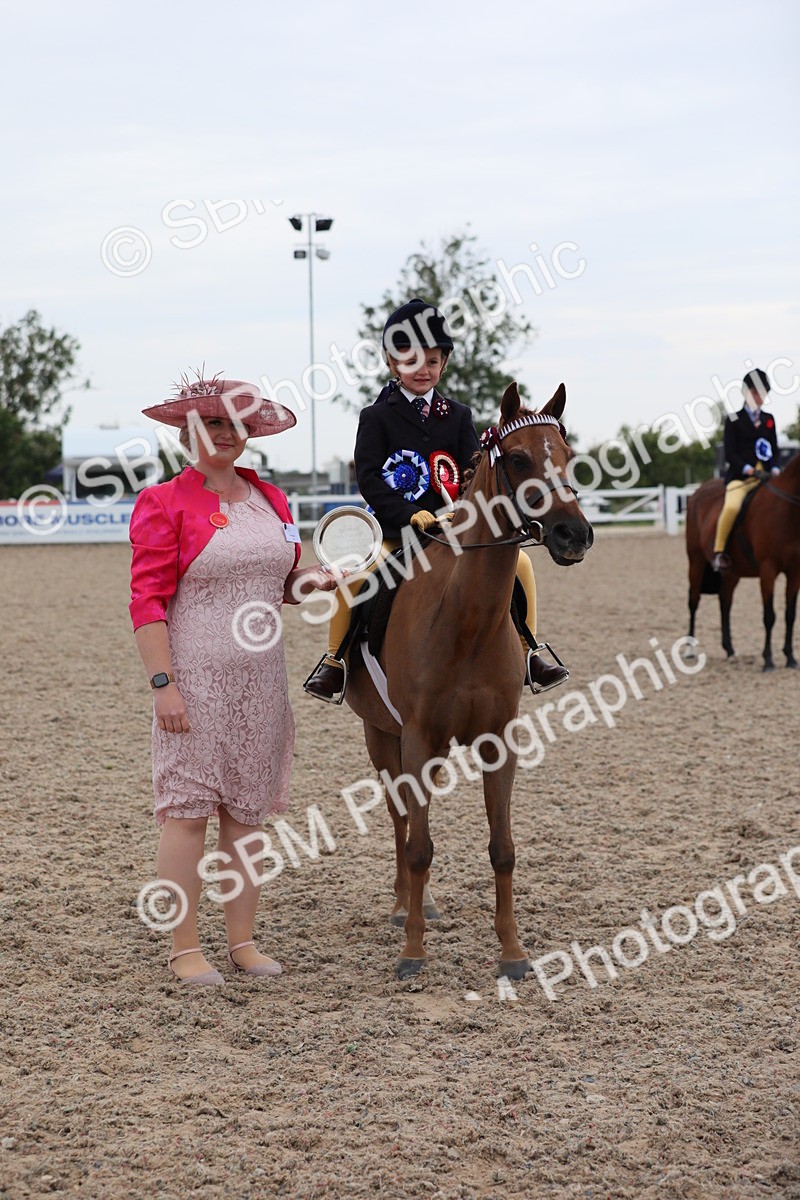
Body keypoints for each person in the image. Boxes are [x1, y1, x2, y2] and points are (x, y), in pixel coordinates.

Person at [130, 374, 340, 986]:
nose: (226, 434)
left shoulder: (271, 499)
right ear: (189, 430)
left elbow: (286, 585)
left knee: (247, 816)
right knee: (188, 814)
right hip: (194, 677)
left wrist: (320, 581)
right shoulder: (163, 502)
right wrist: (163, 683)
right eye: (213, 423)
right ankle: (185, 946)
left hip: (261, 681)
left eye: (236, 424)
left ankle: (243, 941)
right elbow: (147, 600)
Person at [303, 297, 569, 701]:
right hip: (395, 530)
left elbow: (473, 472)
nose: (422, 370)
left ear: (443, 363)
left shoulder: (459, 415)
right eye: (410, 361)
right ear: (393, 364)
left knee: (524, 563)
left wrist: (462, 512)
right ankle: (335, 661)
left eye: (431, 360)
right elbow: (371, 480)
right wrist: (410, 514)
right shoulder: (376, 417)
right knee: (356, 575)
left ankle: (531, 649)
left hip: (452, 529)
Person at [712, 368, 780, 571]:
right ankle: (719, 551)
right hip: (742, 478)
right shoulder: (733, 419)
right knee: (732, 506)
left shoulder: (769, 419)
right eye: (756, 392)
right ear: (746, 392)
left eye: (763, 393)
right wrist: (749, 469)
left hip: (766, 477)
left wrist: (775, 468)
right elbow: (731, 454)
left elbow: (774, 449)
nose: (760, 397)